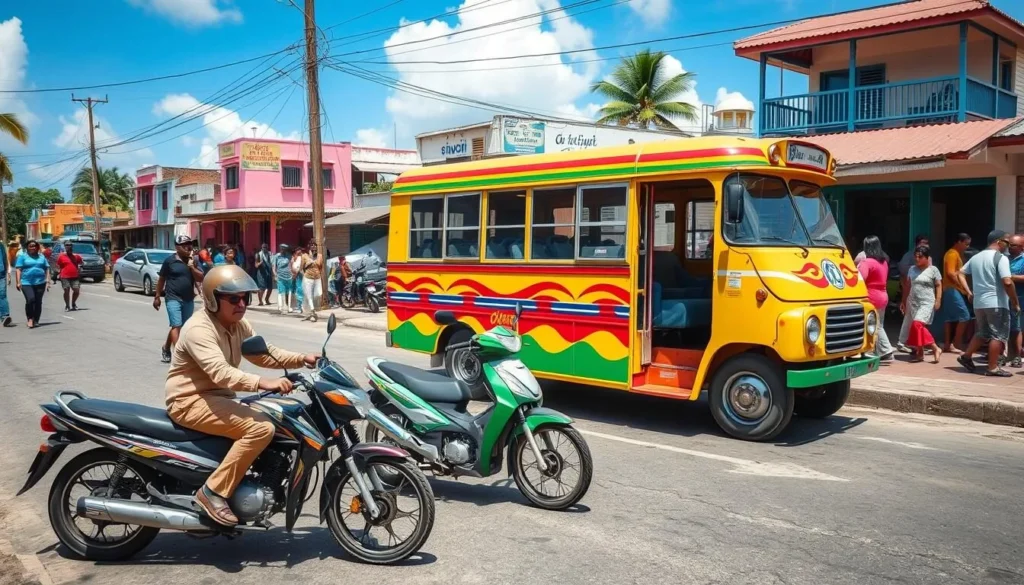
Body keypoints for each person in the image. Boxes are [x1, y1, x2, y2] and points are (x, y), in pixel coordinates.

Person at [164, 264, 316, 526]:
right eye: (234, 298)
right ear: (213, 299)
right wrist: (264, 383)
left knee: (279, 418)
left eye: (246, 298)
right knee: (259, 429)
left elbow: (264, 353)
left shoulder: (237, 323)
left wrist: (303, 358)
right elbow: (222, 373)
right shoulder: (199, 329)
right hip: (189, 401)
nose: (242, 304)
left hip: (217, 398)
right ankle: (212, 493)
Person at [957, 230, 1020, 377]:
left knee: (983, 332)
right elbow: (1007, 281)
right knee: (997, 335)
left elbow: (960, 273)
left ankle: (966, 357)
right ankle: (992, 367)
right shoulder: (1001, 258)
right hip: (996, 303)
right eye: (1007, 242)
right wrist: (1015, 302)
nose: (1009, 246)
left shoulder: (976, 257)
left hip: (979, 303)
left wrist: (969, 292)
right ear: (998, 242)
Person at [154, 235, 205, 363]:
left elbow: (200, 278)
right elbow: (161, 280)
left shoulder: (194, 261)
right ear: (177, 247)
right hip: (172, 297)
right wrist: (157, 297)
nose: (188, 247)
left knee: (181, 327)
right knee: (176, 325)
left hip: (188, 298)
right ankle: (179, 355)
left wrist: (192, 267)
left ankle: (166, 348)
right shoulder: (169, 261)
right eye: (184, 245)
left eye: (190, 244)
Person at [902, 245, 943, 364]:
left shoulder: (933, 270)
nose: (917, 259)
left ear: (927, 258)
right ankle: (920, 352)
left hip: (927, 301)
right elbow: (908, 285)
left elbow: (938, 285)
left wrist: (938, 299)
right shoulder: (912, 269)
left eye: (920, 257)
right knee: (917, 327)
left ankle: (935, 348)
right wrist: (904, 301)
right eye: (916, 257)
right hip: (914, 301)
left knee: (917, 324)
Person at [858, 236, 894, 361]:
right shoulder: (883, 262)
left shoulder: (866, 262)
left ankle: (883, 350)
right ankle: (883, 350)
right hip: (883, 296)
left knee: (871, 325)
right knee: (879, 325)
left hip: (871, 297)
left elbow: (860, 279)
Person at [894, 235, 929, 353]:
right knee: (913, 320)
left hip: (925, 296)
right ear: (917, 244)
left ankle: (915, 343)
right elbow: (903, 270)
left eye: (926, 243)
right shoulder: (910, 257)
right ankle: (910, 343)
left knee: (917, 321)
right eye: (923, 243)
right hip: (911, 293)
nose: (925, 245)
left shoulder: (929, 258)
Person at [940, 233, 973, 353]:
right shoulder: (952, 254)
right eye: (966, 244)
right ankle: (956, 343)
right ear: (959, 241)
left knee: (950, 318)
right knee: (964, 316)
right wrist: (962, 287)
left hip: (951, 289)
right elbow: (951, 273)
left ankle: (948, 344)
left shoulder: (955, 254)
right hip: (952, 289)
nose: (967, 247)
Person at [14, 240, 50, 329]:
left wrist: (48, 281)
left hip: (40, 282)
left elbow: (47, 268)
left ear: (37, 247)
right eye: (31, 246)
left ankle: (36, 320)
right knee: (31, 299)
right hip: (26, 282)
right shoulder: (22, 257)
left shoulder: (42, 257)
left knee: (38, 302)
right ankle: (30, 318)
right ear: (27, 247)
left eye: (34, 246)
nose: (33, 247)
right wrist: (18, 282)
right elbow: (18, 269)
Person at [1009, 234, 1024, 368]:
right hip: (1004, 297)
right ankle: (1004, 354)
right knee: (1004, 327)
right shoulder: (1004, 259)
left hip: (1019, 298)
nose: (1010, 247)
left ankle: (1017, 356)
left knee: (1017, 327)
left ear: (1021, 247)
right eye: (1009, 244)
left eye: (1013, 245)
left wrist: (1011, 277)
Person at [300, 242, 324, 322]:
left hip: (317, 277)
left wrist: (318, 274)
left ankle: (311, 309)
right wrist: (306, 273)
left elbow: (320, 266)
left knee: (317, 294)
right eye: (312, 245)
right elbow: (302, 268)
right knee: (309, 295)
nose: (313, 246)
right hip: (308, 277)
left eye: (315, 245)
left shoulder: (319, 256)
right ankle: (313, 312)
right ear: (309, 247)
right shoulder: (304, 256)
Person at [56, 241, 83, 312]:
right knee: (66, 290)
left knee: (76, 290)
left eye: (70, 245)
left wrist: (80, 267)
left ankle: (73, 303)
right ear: (64, 246)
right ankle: (67, 305)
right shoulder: (61, 256)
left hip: (75, 276)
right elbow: (58, 265)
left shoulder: (76, 256)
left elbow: (81, 263)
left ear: (72, 246)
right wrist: (59, 272)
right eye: (67, 245)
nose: (68, 246)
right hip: (65, 276)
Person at [271, 244, 294, 313]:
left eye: (284, 249)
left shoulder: (288, 256)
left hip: (288, 276)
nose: (283, 250)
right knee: (281, 291)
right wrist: (275, 274)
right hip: (280, 276)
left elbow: (290, 265)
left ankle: (288, 306)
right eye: (282, 248)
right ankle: (281, 307)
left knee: (288, 291)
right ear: (280, 248)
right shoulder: (276, 256)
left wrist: (292, 273)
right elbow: (274, 266)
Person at [0, 245, 12, 328]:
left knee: (2, 295)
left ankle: (5, 316)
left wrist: (8, 272)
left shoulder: (1, 246)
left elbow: (5, 259)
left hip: (1, 274)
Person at [291, 246, 305, 312]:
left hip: (301, 276)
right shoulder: (293, 259)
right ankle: (298, 306)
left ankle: (301, 306)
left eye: (299, 250)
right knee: (296, 291)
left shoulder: (302, 258)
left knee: (300, 291)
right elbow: (292, 267)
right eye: (297, 251)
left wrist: (295, 274)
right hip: (295, 277)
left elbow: (300, 268)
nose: (298, 252)